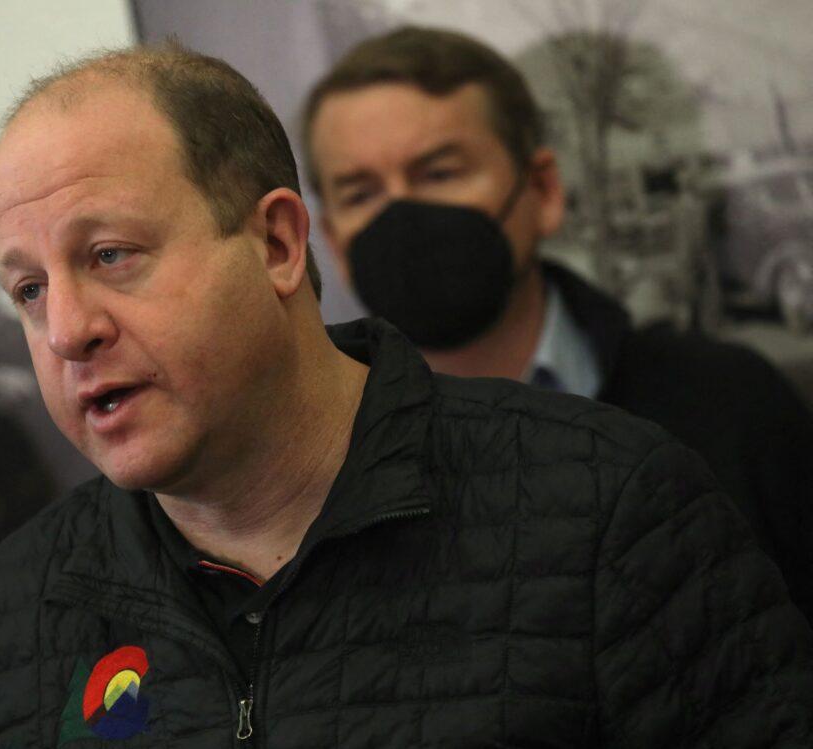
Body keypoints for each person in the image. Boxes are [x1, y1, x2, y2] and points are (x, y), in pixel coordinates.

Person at [0, 44, 813, 749]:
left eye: (111, 255)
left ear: (277, 246)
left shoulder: (609, 510)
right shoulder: (18, 613)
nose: (66, 329)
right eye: (28, 288)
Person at [300, 25, 813, 624]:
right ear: (333, 241)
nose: (403, 214)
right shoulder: (320, 475)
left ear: (541, 190)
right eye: (360, 193)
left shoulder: (729, 407)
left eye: (440, 173)